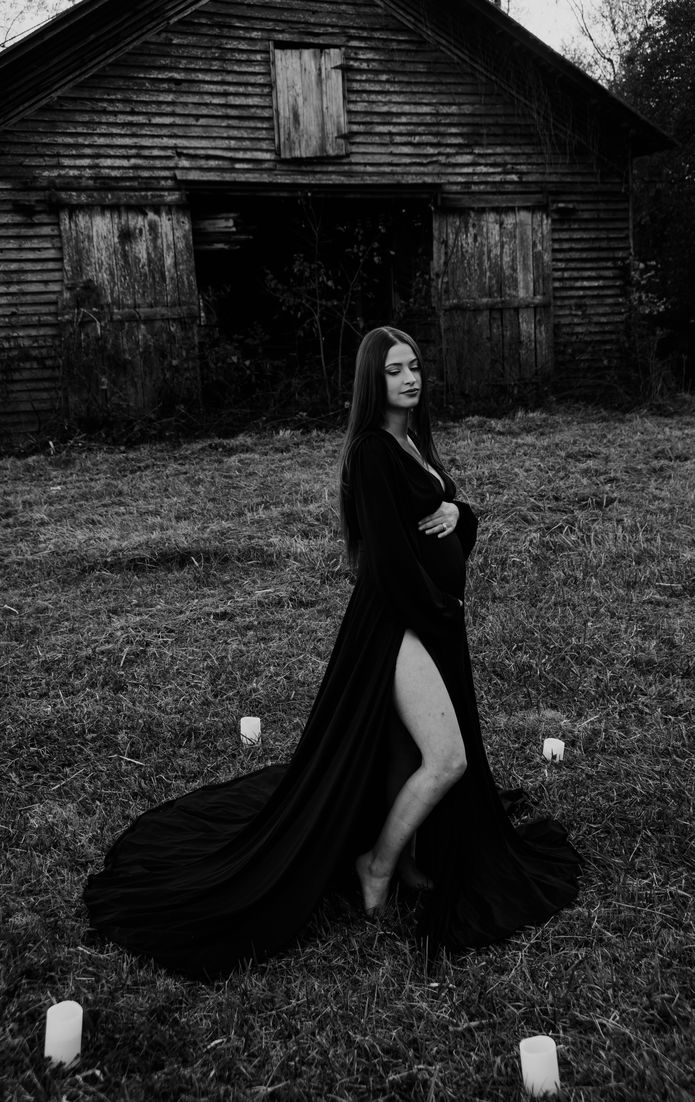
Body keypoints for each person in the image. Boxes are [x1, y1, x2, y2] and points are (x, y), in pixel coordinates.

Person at [84, 326, 580, 978]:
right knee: (446, 758)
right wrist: (435, 612)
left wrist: (461, 514)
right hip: (400, 623)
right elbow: (386, 559)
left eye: (413, 367)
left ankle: (401, 859)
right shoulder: (374, 450)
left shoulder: (411, 441)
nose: (408, 379)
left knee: (403, 751)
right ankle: (374, 862)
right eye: (393, 370)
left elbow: (439, 518)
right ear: (371, 382)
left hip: (431, 620)